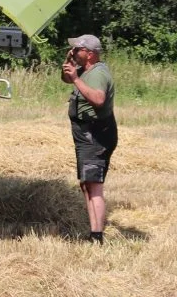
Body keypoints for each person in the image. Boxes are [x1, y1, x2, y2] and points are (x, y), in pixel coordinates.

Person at [62, 34, 117, 244]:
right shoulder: (87, 70)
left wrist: (76, 78)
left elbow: (98, 99)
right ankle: (94, 230)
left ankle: (96, 237)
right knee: (86, 183)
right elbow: (66, 78)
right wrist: (69, 65)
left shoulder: (98, 74)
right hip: (85, 134)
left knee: (93, 185)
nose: (74, 51)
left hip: (95, 135)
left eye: (78, 49)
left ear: (90, 54)